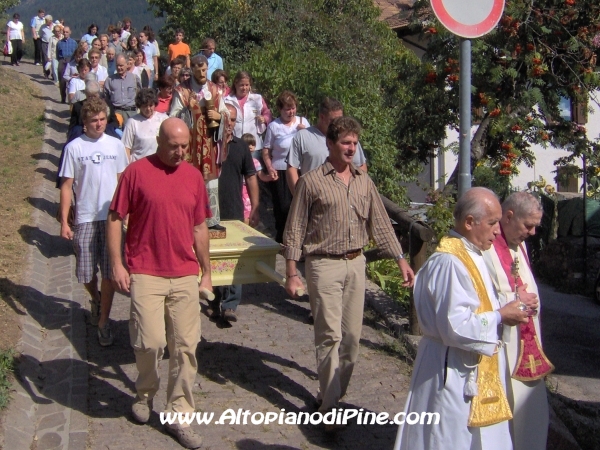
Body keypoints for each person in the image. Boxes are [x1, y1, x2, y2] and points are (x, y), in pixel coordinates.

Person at [283, 116, 415, 426]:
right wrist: (291, 272)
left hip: (356, 265)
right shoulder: (311, 182)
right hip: (322, 265)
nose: (351, 149)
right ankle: (329, 411)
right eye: (345, 143)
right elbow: (295, 229)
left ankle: (332, 395)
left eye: (354, 144)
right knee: (329, 335)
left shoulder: (364, 182)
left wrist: (401, 260)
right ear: (330, 144)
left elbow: (381, 225)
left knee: (352, 340)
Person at [393, 187, 530, 450]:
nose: (498, 231)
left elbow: (475, 305)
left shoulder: (471, 255)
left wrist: (506, 305)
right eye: (492, 223)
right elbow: (455, 326)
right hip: (451, 369)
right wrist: (501, 315)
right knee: (446, 438)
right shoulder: (451, 263)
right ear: (469, 222)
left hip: (465, 366)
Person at [107, 118, 211, 450]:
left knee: (185, 345)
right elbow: (114, 218)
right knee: (150, 342)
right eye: (173, 146)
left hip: (183, 273)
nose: (180, 152)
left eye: (185, 146)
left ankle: (179, 412)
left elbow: (199, 228)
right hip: (146, 270)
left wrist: (206, 272)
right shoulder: (136, 173)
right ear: (158, 141)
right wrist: (116, 264)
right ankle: (145, 392)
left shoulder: (194, 177)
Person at [482, 192, 551, 450]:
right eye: (528, 225)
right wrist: (515, 298)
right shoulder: (487, 244)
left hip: (527, 349)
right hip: (502, 349)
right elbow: (481, 295)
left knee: (530, 419)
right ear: (508, 217)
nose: (532, 233)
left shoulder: (519, 243)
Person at [58, 97, 128, 347]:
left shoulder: (116, 145)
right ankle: (95, 297)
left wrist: (127, 212)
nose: (98, 124)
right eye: (93, 121)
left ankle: (103, 321)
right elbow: (66, 185)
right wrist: (65, 221)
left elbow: (123, 181)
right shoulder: (74, 148)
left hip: (111, 217)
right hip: (86, 216)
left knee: (110, 271)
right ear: (84, 123)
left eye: (101, 119)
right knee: (86, 271)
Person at [209, 105, 261, 324]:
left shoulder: (240, 146)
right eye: (225, 118)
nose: (228, 123)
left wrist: (256, 207)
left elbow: (250, 177)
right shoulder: (207, 144)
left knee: (233, 259)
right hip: (209, 210)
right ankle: (214, 299)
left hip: (233, 210)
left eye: (232, 119)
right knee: (213, 259)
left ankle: (230, 304)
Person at [170, 54, 228, 229]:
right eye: (199, 69)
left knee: (210, 182)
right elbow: (173, 116)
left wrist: (218, 117)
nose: (203, 73)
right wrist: (189, 112)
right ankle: (187, 218)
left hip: (210, 142)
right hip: (191, 144)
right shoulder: (183, 91)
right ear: (192, 69)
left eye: (205, 70)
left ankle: (211, 220)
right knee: (188, 180)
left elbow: (226, 112)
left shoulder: (215, 89)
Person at [286, 97, 367, 196]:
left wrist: (359, 194)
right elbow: (291, 168)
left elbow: (361, 167)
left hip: (344, 198)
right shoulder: (303, 137)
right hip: (313, 197)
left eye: (340, 119)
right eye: (333, 120)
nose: (337, 124)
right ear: (322, 117)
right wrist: (299, 196)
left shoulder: (348, 139)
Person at [262, 91, 309, 243]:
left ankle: (300, 240)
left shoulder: (303, 122)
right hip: (280, 171)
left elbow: (314, 145)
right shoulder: (274, 126)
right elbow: (266, 150)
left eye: (293, 108)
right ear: (280, 110)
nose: (291, 112)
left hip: (300, 170)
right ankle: (282, 241)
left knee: (301, 206)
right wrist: (270, 168)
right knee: (283, 207)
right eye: (287, 109)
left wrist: (305, 133)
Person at [224, 71, 272, 157]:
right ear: (235, 84)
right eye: (241, 85)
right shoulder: (227, 100)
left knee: (254, 169)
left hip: (253, 145)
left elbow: (267, 113)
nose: (244, 88)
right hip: (234, 143)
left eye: (247, 85)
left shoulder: (257, 99)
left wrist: (264, 118)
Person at [122, 89, 168, 161]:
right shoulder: (132, 122)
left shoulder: (163, 119)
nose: (148, 109)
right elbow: (126, 148)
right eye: (145, 106)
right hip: (138, 165)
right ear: (139, 106)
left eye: (150, 105)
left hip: (158, 164)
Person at [241, 133, 271, 225]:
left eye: (252, 144)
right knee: (243, 212)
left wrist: (269, 177)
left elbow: (261, 175)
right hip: (241, 189)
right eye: (247, 144)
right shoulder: (239, 160)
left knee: (251, 211)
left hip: (250, 190)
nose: (250, 146)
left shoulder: (255, 162)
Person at [104, 54, 142, 123]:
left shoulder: (134, 78)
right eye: (117, 65)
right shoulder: (109, 80)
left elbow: (140, 95)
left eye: (121, 65)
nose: (119, 68)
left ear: (127, 65)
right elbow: (106, 97)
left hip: (131, 113)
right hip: (116, 113)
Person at [56, 27, 78, 103]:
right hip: (62, 60)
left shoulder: (74, 43)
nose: (65, 33)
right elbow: (57, 54)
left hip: (71, 60)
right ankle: (63, 97)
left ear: (70, 32)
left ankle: (71, 98)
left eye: (67, 32)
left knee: (71, 79)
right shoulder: (59, 43)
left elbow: (76, 53)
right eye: (64, 32)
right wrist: (61, 61)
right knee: (62, 80)